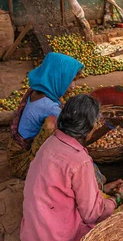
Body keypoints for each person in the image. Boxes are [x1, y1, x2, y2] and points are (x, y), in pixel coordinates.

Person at [21, 94, 123, 241]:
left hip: (35, 232)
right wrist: (118, 197)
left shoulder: (51, 141)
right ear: (88, 131)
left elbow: (63, 186)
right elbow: (93, 214)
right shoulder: (79, 161)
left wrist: (102, 189)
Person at [7, 52, 84, 180]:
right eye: (72, 80)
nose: (73, 86)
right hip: (23, 162)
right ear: (59, 78)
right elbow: (72, 132)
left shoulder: (36, 90)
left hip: (14, 150)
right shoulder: (49, 108)